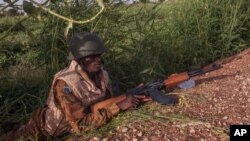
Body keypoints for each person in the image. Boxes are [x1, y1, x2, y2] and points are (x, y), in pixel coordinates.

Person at [0, 32, 151, 141]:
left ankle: (12, 125)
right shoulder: (66, 83)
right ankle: (12, 128)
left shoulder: (101, 74)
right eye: (90, 56)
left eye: (99, 55)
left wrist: (128, 95)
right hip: (45, 128)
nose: (97, 60)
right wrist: (118, 107)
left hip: (80, 116)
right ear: (78, 59)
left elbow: (105, 99)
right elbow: (79, 126)